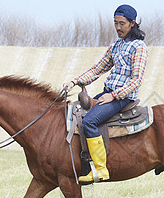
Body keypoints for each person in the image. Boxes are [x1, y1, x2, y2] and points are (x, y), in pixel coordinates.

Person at [63, 4, 148, 183]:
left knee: (90, 121)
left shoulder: (139, 47)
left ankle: (101, 169)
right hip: (108, 92)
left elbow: (136, 80)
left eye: (122, 23)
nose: (118, 27)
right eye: (115, 23)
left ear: (132, 23)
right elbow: (97, 69)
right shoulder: (116, 46)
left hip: (122, 97)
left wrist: (114, 95)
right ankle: (83, 162)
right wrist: (75, 81)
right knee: (80, 113)